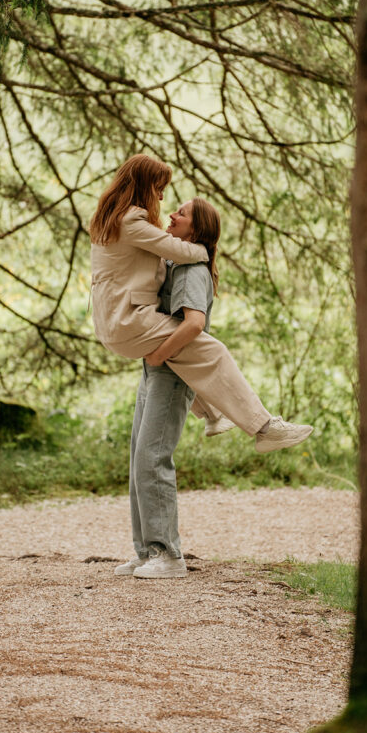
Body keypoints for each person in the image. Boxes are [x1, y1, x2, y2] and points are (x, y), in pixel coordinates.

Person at [90, 154, 313, 452]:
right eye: (158, 188)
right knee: (211, 350)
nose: (162, 197)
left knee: (186, 350)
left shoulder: (111, 219)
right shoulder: (131, 220)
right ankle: (265, 428)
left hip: (115, 323)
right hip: (128, 321)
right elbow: (180, 253)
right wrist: (204, 248)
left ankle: (214, 415)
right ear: (144, 185)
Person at [116, 197, 220, 579]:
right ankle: (146, 552)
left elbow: (194, 323)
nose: (172, 215)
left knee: (152, 458)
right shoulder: (175, 262)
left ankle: (168, 556)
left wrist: (159, 356)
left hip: (172, 372)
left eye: (182, 213)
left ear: (197, 229)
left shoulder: (192, 270)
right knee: (138, 459)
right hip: (155, 370)